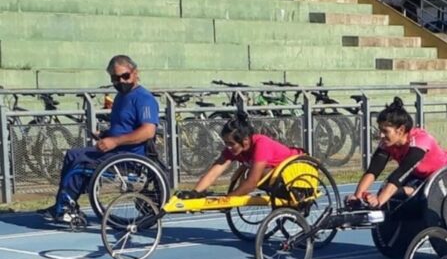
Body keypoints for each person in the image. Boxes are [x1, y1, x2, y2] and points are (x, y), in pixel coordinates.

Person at [38, 55, 159, 223]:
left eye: (125, 76)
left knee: (81, 161)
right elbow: (123, 127)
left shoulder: (144, 99)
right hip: (115, 150)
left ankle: (66, 205)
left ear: (135, 73)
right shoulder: (120, 97)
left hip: (129, 155)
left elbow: (148, 132)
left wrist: (114, 141)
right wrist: (105, 135)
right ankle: (63, 203)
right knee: (73, 155)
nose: (121, 81)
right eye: (115, 78)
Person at [349, 97, 447, 208]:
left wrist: (378, 202)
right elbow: (373, 171)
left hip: (446, 174)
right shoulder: (387, 143)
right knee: (387, 192)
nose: (381, 135)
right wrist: (357, 197)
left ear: (400, 130)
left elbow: (400, 173)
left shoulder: (420, 141)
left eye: (385, 131)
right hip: (419, 177)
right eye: (380, 130)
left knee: (391, 193)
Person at [178, 116, 303, 198]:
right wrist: (195, 193)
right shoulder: (234, 149)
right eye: (226, 143)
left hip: (299, 172)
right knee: (249, 173)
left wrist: (229, 199)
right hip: (278, 176)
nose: (228, 147)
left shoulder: (261, 144)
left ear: (245, 140)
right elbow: (215, 171)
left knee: (254, 174)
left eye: (231, 144)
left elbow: (252, 182)